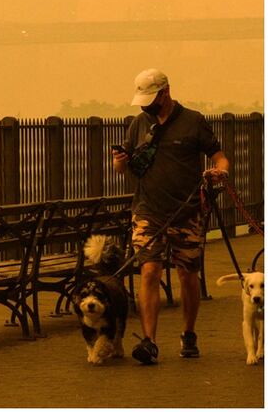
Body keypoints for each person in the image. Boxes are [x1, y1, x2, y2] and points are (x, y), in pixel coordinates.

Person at [112, 68, 230, 364]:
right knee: (149, 271)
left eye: (150, 99)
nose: (145, 105)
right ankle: (149, 340)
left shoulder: (193, 121)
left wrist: (221, 172)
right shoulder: (139, 123)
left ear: (166, 92)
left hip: (186, 210)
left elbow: (219, 156)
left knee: (187, 275)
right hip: (147, 210)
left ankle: (188, 334)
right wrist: (118, 162)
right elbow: (121, 168)